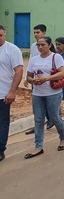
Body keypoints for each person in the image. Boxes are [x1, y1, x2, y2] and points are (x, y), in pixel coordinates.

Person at [24, 36, 64, 158]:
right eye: (38, 45)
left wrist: (46, 78)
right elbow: (28, 75)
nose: (40, 47)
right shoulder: (33, 59)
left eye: (43, 45)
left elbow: (63, 73)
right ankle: (38, 146)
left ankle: (63, 137)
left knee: (54, 117)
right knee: (38, 119)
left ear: (49, 45)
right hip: (37, 93)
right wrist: (32, 80)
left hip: (53, 92)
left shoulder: (56, 57)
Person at [0, 25, 24, 162]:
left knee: (2, 122)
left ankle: (0, 149)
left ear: (5, 35)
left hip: (3, 94)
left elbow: (19, 71)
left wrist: (12, 91)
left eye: (0, 35)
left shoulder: (12, 49)